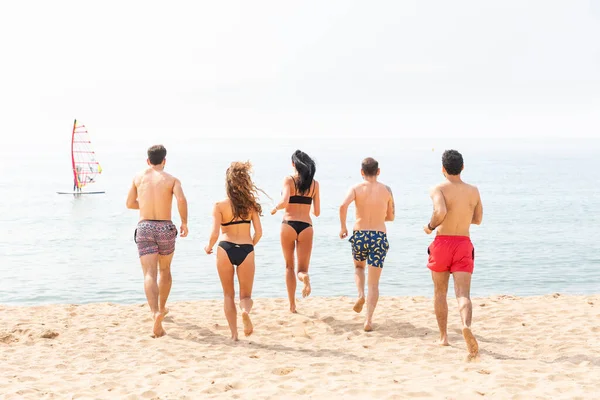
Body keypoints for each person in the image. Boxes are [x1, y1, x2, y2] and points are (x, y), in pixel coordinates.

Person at [423, 149, 483, 360]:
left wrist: (430, 227)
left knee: (440, 292)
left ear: (443, 168)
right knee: (463, 294)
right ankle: (466, 326)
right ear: (463, 167)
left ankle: (443, 337)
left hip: (443, 242)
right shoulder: (473, 191)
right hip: (463, 243)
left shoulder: (437, 188)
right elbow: (478, 219)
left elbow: (440, 212)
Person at [126, 145, 188, 338]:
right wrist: (184, 222)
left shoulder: (138, 178)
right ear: (164, 161)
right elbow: (181, 200)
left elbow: (129, 204)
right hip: (165, 227)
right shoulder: (172, 180)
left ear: (147, 161)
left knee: (149, 274)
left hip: (144, 227)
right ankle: (162, 307)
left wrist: (145, 206)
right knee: (165, 270)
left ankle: (155, 312)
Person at [205, 161, 263, 341]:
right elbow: (259, 232)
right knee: (245, 295)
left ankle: (234, 335)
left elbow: (215, 233)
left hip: (225, 248)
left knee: (228, 295)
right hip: (246, 248)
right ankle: (245, 311)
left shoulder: (219, 206)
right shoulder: (251, 205)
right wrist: (250, 245)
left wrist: (209, 247)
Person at [339, 157, 394, 331]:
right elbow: (391, 217)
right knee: (374, 283)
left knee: (359, 268)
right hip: (378, 235)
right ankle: (368, 321)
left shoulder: (355, 188)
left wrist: (343, 227)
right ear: (378, 171)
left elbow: (343, 205)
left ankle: (360, 294)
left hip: (360, 234)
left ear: (362, 172)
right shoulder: (386, 190)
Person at [271, 150, 320, 313]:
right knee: (302, 270)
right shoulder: (314, 184)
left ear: (294, 164)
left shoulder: (289, 180)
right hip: (306, 226)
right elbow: (317, 212)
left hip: (289, 224)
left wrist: (275, 208)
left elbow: (284, 202)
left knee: (289, 267)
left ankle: (292, 305)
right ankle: (304, 278)